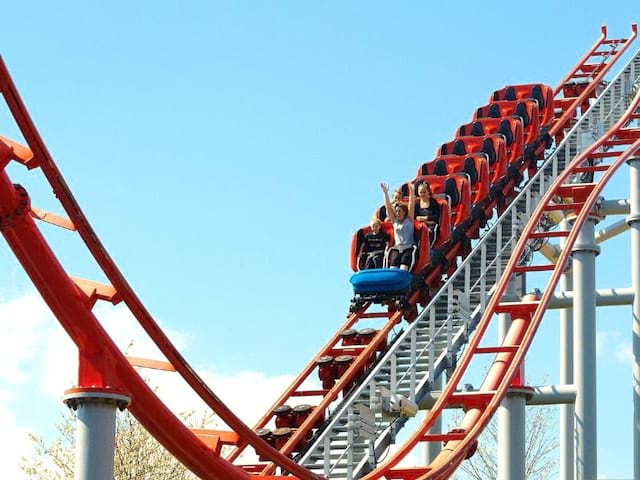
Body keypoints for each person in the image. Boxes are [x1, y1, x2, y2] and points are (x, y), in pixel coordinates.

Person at [381, 182, 416, 270]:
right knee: (393, 267)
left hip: (408, 248)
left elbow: (411, 204)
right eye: (396, 212)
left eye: (400, 211)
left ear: (404, 212)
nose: (398, 213)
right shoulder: (395, 221)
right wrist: (385, 193)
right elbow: (388, 207)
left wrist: (412, 191)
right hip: (397, 248)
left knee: (403, 267)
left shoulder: (409, 220)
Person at [414, 181, 440, 246]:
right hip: (420, 226)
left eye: (424, 192)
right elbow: (414, 218)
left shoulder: (433, 202)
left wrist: (425, 218)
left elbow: (437, 218)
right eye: (421, 192)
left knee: (427, 234)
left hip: (432, 227)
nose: (422, 194)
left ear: (428, 192)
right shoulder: (416, 204)